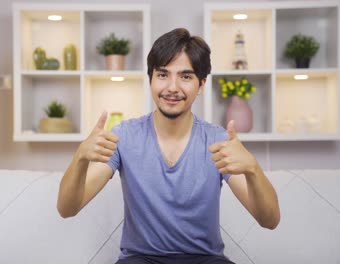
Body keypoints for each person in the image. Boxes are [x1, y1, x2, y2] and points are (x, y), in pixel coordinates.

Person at [57, 28, 280, 264]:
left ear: (201, 84)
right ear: (150, 79)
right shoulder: (124, 137)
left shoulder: (218, 141)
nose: (172, 87)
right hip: (140, 259)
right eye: (163, 75)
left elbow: (270, 220)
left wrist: (253, 169)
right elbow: (67, 209)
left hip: (206, 260)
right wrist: (81, 157)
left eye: (185, 76)